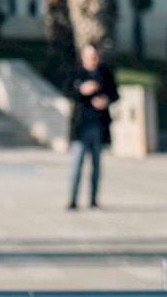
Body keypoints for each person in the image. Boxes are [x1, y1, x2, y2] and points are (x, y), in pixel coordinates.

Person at [66, 43, 119, 210]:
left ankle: (94, 200)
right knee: (77, 164)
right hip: (81, 126)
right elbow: (68, 92)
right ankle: (72, 199)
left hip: (99, 126)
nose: (93, 60)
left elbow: (115, 93)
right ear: (83, 57)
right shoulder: (76, 73)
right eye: (89, 56)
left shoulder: (105, 73)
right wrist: (82, 91)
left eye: (95, 56)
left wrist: (106, 100)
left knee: (96, 166)